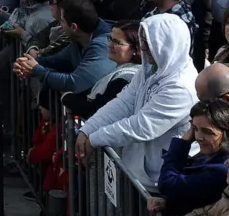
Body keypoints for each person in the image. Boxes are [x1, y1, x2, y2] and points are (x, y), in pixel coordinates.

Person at [77, 14, 199, 188]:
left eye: (148, 43)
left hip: (159, 180)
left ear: (166, 45)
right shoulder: (149, 70)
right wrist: (87, 129)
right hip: (136, 173)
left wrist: (95, 139)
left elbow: (141, 126)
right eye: (142, 40)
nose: (142, 47)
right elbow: (123, 103)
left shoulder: (181, 87)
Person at [150, 99, 229, 216]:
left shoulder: (222, 170)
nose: (198, 137)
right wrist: (167, 203)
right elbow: (193, 199)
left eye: (208, 132)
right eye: (195, 129)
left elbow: (167, 185)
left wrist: (182, 143)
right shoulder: (209, 157)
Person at [14, 0, 115, 93]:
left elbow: (74, 83)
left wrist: (36, 70)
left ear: (74, 27)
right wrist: (27, 64)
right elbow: (55, 61)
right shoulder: (78, 41)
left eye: (62, 21)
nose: (60, 26)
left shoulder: (103, 46)